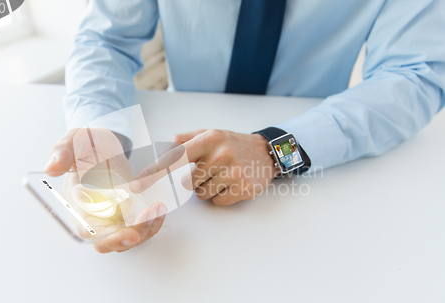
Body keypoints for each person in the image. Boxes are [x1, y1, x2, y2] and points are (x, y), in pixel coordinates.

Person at [45, 0, 445, 253]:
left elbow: (415, 74)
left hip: (320, 184)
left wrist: (275, 150)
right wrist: (99, 129)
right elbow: (107, 39)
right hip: (178, 142)